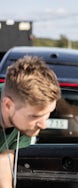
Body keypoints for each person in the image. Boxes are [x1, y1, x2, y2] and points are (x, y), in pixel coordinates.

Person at [0, 56, 61, 187]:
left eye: (49, 113)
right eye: (35, 116)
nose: (43, 124)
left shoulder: (20, 119)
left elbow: (4, 156)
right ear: (8, 105)